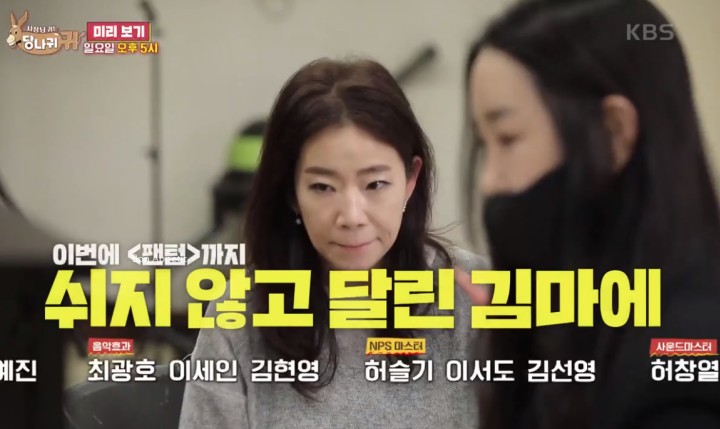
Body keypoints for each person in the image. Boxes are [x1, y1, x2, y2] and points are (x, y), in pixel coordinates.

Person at [455, 0, 720, 428]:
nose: (488, 181)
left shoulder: (685, 371)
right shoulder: (579, 316)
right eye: (485, 142)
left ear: (613, 131)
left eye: (508, 138)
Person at [179, 57, 489, 429]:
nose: (352, 216)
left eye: (375, 184)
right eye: (323, 187)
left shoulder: (477, 293)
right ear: (292, 192)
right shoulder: (240, 313)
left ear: (410, 179)